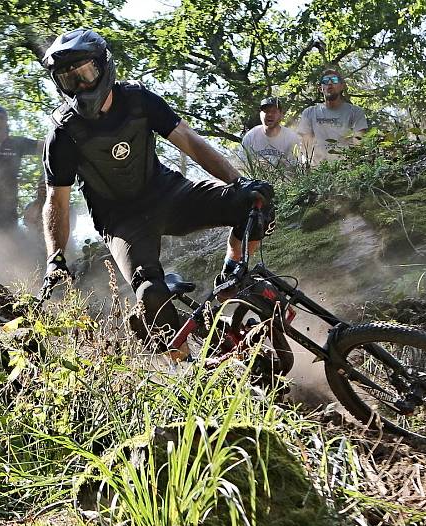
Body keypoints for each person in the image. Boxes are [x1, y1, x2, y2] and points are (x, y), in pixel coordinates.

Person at [40, 28, 275, 350]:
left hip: (170, 195)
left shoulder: (138, 100)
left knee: (254, 200)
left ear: (103, 67)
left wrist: (237, 182)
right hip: (121, 222)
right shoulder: (64, 134)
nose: (80, 86)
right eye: (69, 80)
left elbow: (190, 141)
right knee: (150, 293)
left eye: (85, 73)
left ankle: (230, 280)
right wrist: (55, 257)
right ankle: (184, 368)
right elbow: (57, 201)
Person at [297, 69, 368, 167]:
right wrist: (305, 164)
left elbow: (359, 143)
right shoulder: (309, 113)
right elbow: (305, 144)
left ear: (342, 86)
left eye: (334, 80)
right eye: (325, 81)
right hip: (317, 172)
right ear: (320, 88)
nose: (330, 83)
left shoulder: (355, 112)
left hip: (346, 171)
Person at [239, 97, 300, 169]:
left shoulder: (291, 137)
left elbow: (298, 165)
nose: (270, 114)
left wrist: (282, 164)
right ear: (260, 114)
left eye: (274, 111)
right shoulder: (250, 137)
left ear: (281, 115)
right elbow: (241, 163)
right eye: (266, 111)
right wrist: (255, 163)